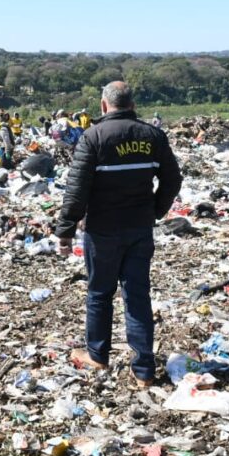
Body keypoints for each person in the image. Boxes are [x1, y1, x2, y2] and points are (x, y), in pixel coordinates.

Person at [55, 82, 182, 387]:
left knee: (100, 292)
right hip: (139, 229)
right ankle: (143, 371)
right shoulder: (153, 136)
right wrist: (154, 211)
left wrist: (65, 232)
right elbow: (173, 180)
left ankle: (98, 355)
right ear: (132, 104)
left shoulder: (93, 137)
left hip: (102, 231)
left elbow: (76, 192)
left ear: (103, 105)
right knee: (137, 295)